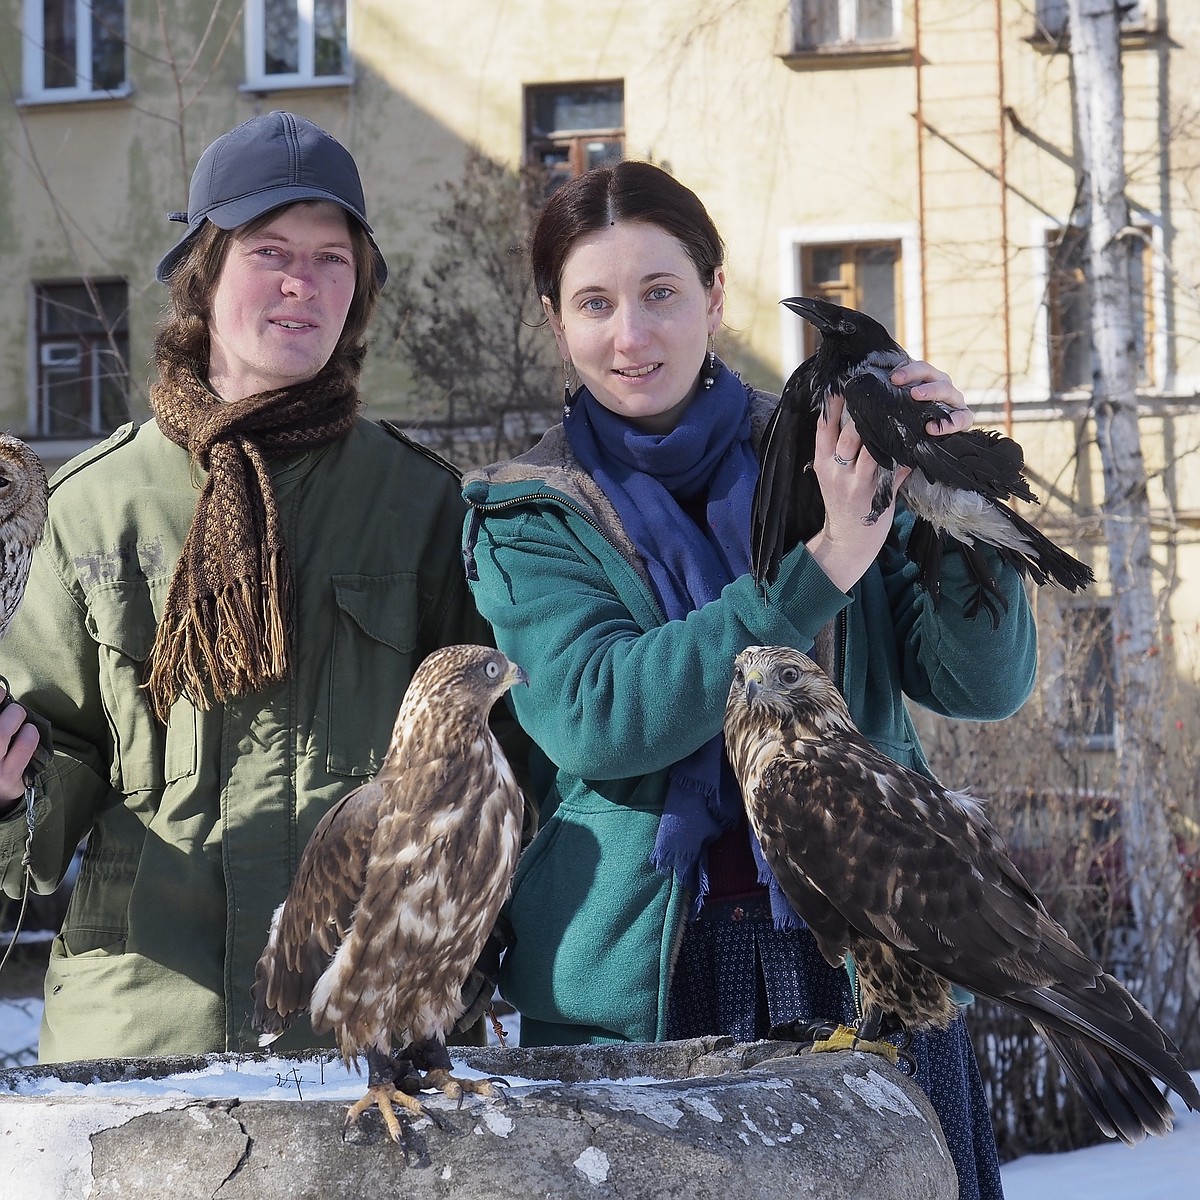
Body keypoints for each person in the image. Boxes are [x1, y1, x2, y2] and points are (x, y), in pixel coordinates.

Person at [460, 160, 1036, 1200]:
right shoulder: (521, 516)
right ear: (555, 320)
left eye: (661, 294)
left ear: (716, 297)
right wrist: (810, 580)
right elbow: (600, 716)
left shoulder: (835, 455)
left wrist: (962, 503)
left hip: (870, 960)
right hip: (644, 983)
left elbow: (978, 680)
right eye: (595, 302)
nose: (631, 335)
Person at [0, 111, 501, 1063]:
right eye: (270, 251)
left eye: (333, 259)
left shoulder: (422, 506)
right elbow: (48, 769)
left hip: (367, 1034)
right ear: (205, 272)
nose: (302, 283)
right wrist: (5, 793)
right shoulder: (91, 506)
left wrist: (466, 961)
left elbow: (493, 765)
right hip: (141, 1033)